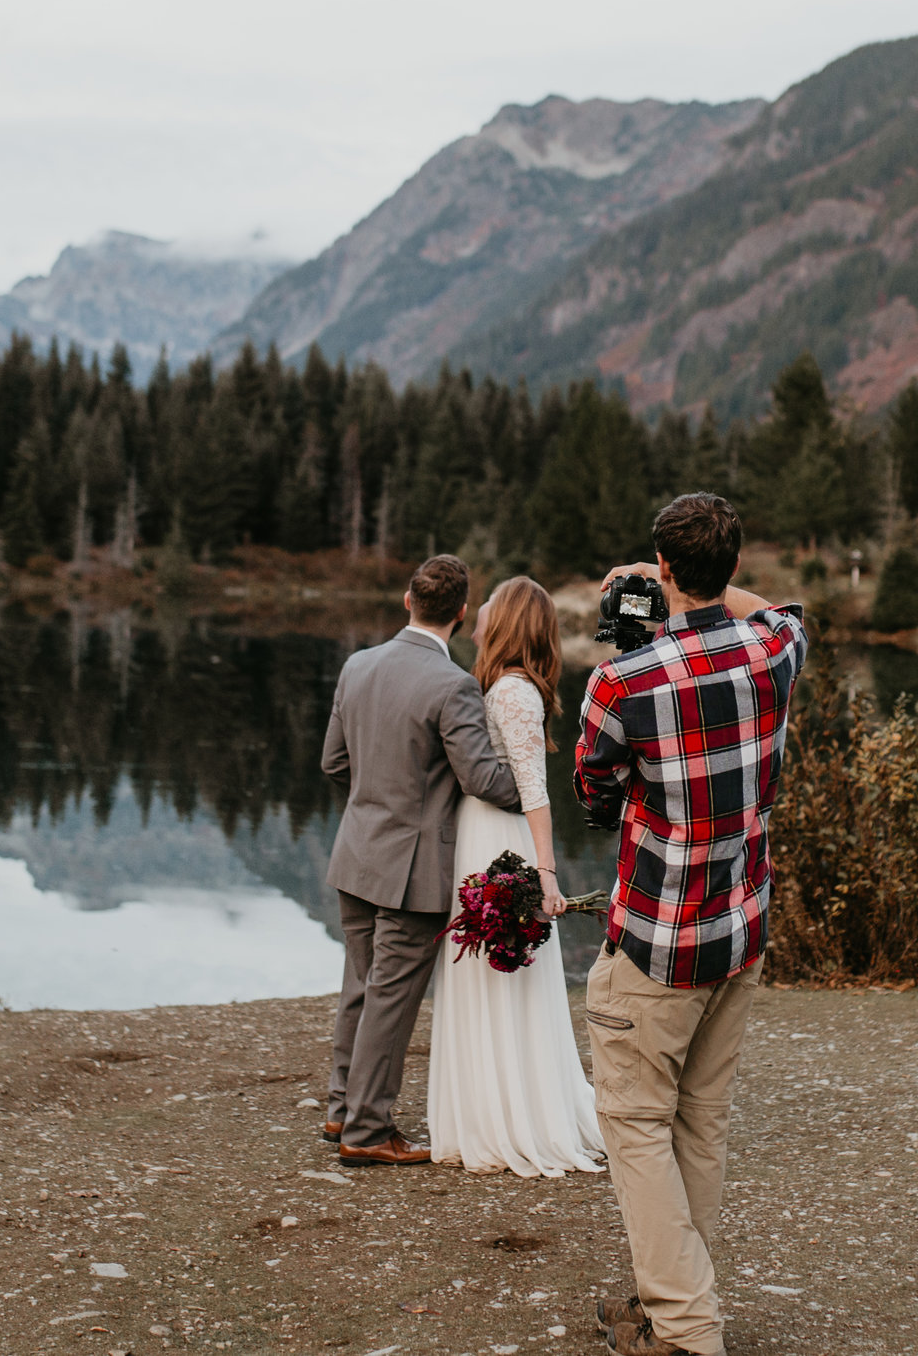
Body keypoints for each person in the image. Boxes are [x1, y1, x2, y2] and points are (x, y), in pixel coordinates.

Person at [573, 493, 807, 1356]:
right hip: (740, 926)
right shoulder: (774, 647)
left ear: (661, 567)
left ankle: (686, 1327)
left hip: (659, 940)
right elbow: (777, 613)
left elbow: (595, 800)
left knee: (634, 1124)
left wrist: (652, 596)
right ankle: (664, 1304)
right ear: (734, 566)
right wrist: (694, 596)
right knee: (698, 1124)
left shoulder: (621, 681)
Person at [320, 554, 523, 1167]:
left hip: (356, 854)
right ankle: (367, 1131)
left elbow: (333, 764)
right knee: (391, 997)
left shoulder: (358, 665)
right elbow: (484, 777)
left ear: (408, 601)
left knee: (362, 984)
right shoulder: (452, 684)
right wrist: (533, 781)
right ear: (462, 614)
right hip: (410, 871)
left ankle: (340, 1110)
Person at [425, 575, 607, 1177]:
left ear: (507, 624)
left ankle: (513, 1118)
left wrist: (547, 876)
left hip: (501, 843)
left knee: (502, 974)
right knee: (481, 975)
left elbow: (535, 791)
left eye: (489, 613)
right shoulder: (500, 686)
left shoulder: (511, 692)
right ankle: (482, 1111)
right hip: (479, 835)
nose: (476, 621)